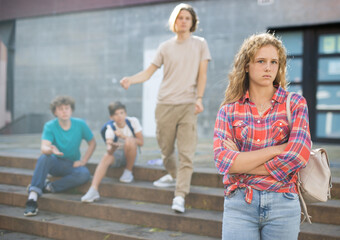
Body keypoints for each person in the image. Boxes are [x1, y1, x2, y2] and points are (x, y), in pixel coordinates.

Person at [213, 33, 312, 239]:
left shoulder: (295, 104)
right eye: (261, 61)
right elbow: (223, 162)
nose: (268, 68)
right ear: (247, 65)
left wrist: (242, 164)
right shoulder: (229, 111)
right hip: (239, 204)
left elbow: (298, 155)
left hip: (283, 202)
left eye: (274, 62)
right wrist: (277, 149)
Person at [120, 3, 211, 213]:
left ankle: (180, 195)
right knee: (166, 150)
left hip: (188, 104)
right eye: (180, 17)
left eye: (187, 18)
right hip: (165, 105)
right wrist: (130, 80)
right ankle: (173, 174)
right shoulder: (165, 47)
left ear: (193, 22)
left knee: (186, 153)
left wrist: (199, 98)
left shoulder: (200, 44)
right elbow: (148, 72)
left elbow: (202, 74)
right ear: (174, 21)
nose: (184, 21)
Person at [24, 96, 96, 216]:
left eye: (67, 108)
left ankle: (48, 187)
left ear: (71, 110)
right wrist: (51, 150)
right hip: (55, 163)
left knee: (84, 174)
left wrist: (84, 160)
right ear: (55, 112)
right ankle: (32, 199)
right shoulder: (50, 126)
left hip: (72, 165)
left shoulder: (80, 124)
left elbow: (92, 143)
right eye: (60, 109)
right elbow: (44, 147)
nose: (64, 111)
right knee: (44, 157)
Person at [81, 101, 143, 203]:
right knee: (106, 156)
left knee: (130, 141)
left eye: (122, 113)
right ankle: (93, 190)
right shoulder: (110, 128)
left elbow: (140, 142)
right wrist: (112, 148)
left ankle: (128, 172)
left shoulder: (133, 122)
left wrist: (123, 137)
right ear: (111, 117)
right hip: (117, 155)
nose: (119, 116)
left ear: (126, 114)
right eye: (116, 114)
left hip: (131, 154)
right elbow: (109, 148)